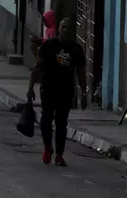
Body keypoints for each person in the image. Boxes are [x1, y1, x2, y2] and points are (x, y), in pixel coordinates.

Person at [28, 17, 86, 166]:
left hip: (66, 91)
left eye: (69, 28)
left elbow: (80, 72)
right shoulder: (49, 45)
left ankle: (59, 154)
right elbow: (37, 67)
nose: (66, 30)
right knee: (46, 119)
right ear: (59, 29)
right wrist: (30, 88)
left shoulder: (76, 49)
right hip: (48, 89)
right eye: (63, 27)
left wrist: (84, 94)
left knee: (61, 123)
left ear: (73, 31)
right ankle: (48, 147)